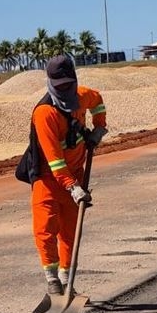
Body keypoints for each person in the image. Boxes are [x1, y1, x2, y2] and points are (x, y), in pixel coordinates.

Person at [29, 55, 108, 295]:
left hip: (76, 173)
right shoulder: (44, 114)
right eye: (59, 86)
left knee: (71, 232)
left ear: (74, 80)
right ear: (50, 83)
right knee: (45, 228)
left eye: (68, 85)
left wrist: (99, 127)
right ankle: (52, 280)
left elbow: (98, 101)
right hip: (49, 179)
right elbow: (54, 161)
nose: (64, 90)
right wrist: (74, 188)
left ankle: (66, 280)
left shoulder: (84, 96)